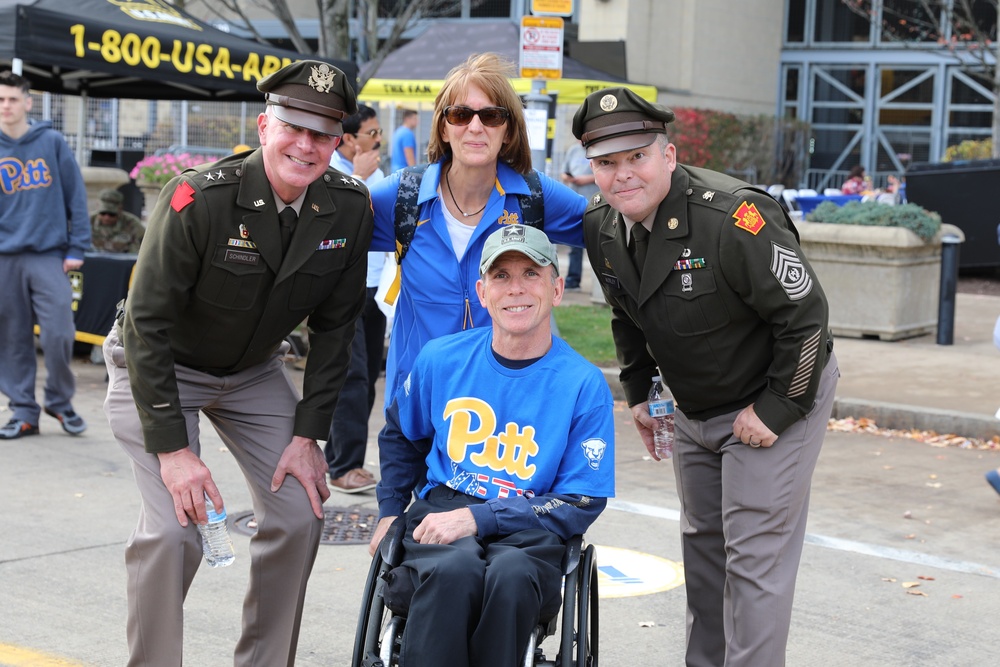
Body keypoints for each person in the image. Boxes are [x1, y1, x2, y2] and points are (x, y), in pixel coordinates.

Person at [102, 60, 373, 667]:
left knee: (302, 512)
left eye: (323, 134)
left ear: (338, 143)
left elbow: (336, 330)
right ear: (264, 127)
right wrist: (175, 452)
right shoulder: (200, 198)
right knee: (174, 532)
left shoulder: (348, 207)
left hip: (252, 372)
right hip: (160, 367)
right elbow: (146, 325)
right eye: (293, 127)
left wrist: (308, 436)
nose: (306, 146)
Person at [573, 87, 839, 667]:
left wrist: (777, 408)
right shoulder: (602, 225)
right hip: (694, 405)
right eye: (606, 162)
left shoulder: (733, 218)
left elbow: (806, 317)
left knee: (754, 557)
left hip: (774, 389)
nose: (623, 174)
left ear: (668, 155)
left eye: (637, 156)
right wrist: (640, 391)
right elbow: (626, 311)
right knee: (704, 552)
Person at [369, 224, 615, 667]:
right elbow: (401, 434)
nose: (515, 288)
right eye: (501, 276)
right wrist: (390, 510)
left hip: (531, 521)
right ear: (482, 293)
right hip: (444, 508)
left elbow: (582, 499)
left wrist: (481, 518)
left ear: (556, 289)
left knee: (512, 574)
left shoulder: (582, 383)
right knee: (453, 569)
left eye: (531, 274)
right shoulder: (441, 359)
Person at [368, 52, 587, 407]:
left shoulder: (533, 196)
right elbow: (325, 225)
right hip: (417, 409)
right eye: (460, 114)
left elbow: (613, 230)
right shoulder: (403, 196)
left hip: (505, 411)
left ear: (508, 130)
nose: (474, 127)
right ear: (443, 127)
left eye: (491, 116)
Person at [0, 70, 90, 440]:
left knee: (59, 333)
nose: (6, 106)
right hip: (4, 258)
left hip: (48, 255)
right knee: (11, 339)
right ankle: (23, 412)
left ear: (27, 102)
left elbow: (76, 196)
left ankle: (59, 400)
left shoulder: (51, 142)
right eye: (0, 99)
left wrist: (77, 245)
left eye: (12, 99)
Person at [326, 103, 388, 493]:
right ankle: (345, 466)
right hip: (341, 288)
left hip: (375, 287)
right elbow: (336, 219)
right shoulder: (330, 170)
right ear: (349, 139)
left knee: (366, 381)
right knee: (352, 377)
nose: (379, 139)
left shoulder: (378, 173)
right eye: (372, 133)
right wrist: (358, 178)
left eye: (379, 132)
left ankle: (337, 457)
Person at [560, 139, 599, 289]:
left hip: (593, 203)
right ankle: (573, 280)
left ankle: (600, 285)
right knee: (574, 246)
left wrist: (586, 179)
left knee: (596, 245)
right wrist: (568, 178)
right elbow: (563, 172)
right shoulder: (573, 150)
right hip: (574, 203)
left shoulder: (597, 149)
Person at [90, 188, 145, 253]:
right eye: (103, 213)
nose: (107, 218)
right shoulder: (88, 221)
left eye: (111, 214)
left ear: (120, 210)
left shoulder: (132, 223)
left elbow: (146, 242)